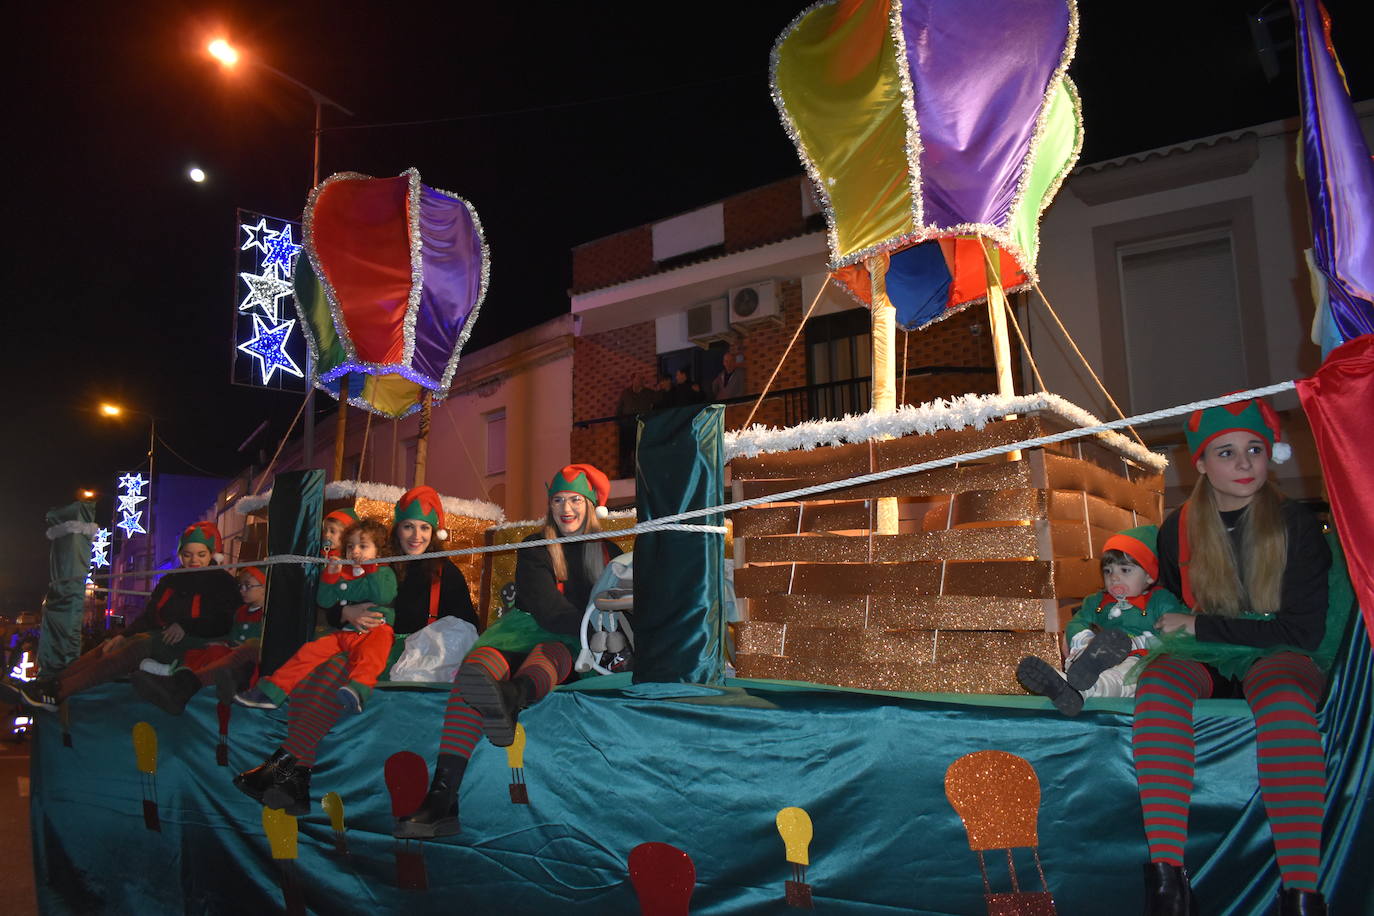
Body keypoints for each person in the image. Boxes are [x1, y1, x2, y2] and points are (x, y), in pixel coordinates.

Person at [1131, 400, 1332, 915]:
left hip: (1280, 648)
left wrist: (1200, 624)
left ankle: (1302, 893)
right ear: (1200, 464)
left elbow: (1301, 631)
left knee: (1285, 702)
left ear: (1270, 457)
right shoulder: (1178, 529)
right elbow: (1178, 601)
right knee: (1157, 686)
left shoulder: (1295, 524)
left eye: (1255, 451)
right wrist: (1194, 628)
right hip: (1213, 654)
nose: (1244, 465)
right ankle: (1166, 883)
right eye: (1227, 453)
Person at [394, 464, 622, 839]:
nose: (566, 508)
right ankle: (441, 798)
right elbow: (544, 606)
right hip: (522, 630)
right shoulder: (535, 545)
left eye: (575, 500)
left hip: (569, 642)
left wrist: (593, 630)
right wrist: (588, 622)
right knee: (476, 672)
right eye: (558, 500)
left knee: (548, 657)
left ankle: (512, 696)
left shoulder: (609, 551)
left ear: (590, 505)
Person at [232, 487, 479, 815]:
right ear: (397, 529)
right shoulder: (377, 564)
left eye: (424, 527)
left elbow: (466, 628)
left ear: (434, 532)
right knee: (320, 670)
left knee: (335, 672)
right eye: (408, 526)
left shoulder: (445, 574)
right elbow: (335, 604)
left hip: (409, 657)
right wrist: (344, 614)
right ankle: (295, 776)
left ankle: (286, 772)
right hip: (361, 644)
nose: (416, 535)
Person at [19, 522, 240, 712]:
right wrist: (124, 634)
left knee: (135, 648)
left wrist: (187, 626)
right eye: (187, 554)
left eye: (201, 554)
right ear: (181, 554)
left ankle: (59, 693)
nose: (194, 560)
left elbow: (225, 620)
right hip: (162, 639)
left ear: (212, 555)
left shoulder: (222, 582)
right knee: (111, 646)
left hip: (195, 644)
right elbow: (150, 615)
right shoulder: (171, 579)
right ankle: (49, 684)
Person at [1015, 526, 1190, 715]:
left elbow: (1174, 631)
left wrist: (1137, 643)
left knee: (1125, 675)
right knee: (1079, 661)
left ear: (1149, 575)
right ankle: (1070, 681)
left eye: (1125, 570)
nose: (1114, 578)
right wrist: (1085, 641)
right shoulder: (1096, 601)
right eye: (1108, 571)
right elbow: (1078, 623)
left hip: (1138, 657)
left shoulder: (1160, 601)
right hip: (1095, 654)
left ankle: (1070, 688)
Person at [234, 517, 397, 714]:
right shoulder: (344, 573)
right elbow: (325, 601)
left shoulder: (384, 572)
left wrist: (372, 567)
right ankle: (272, 691)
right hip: (343, 633)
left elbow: (383, 594)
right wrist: (330, 576)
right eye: (350, 546)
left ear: (379, 551)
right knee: (309, 652)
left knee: (371, 656)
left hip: (374, 630)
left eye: (363, 546)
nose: (355, 552)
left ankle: (358, 690)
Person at [129, 565, 267, 715]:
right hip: (233, 649)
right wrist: (226, 643)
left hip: (248, 662)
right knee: (210, 650)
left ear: (264, 588)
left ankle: (178, 680)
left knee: (219, 655)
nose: (242, 590)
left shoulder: (266, 614)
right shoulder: (240, 612)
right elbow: (233, 635)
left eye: (248, 586)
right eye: (241, 586)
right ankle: (177, 672)